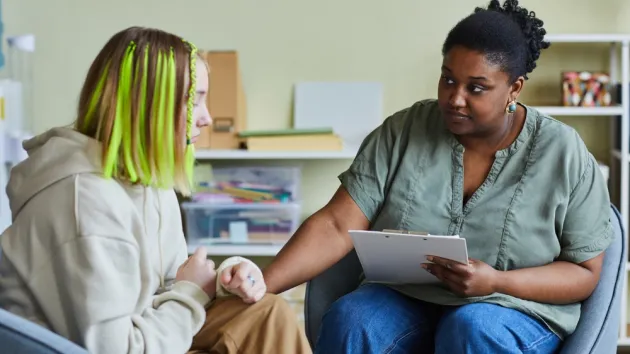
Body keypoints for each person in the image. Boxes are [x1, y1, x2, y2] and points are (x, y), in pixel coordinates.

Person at [262, 0, 614, 353]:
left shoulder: (562, 151)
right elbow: (336, 225)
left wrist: (497, 281)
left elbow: (584, 272)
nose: (455, 98)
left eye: (476, 88)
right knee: (354, 319)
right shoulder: (403, 131)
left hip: (512, 307)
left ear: (514, 88)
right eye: (448, 79)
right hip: (406, 297)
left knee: (470, 328)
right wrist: (259, 287)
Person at [0, 27, 311, 354]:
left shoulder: (148, 184)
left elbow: (168, 283)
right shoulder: (83, 201)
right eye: (196, 100)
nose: (206, 118)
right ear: (151, 106)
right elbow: (119, 348)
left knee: (268, 313)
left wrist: (223, 280)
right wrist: (192, 291)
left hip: (146, 332)